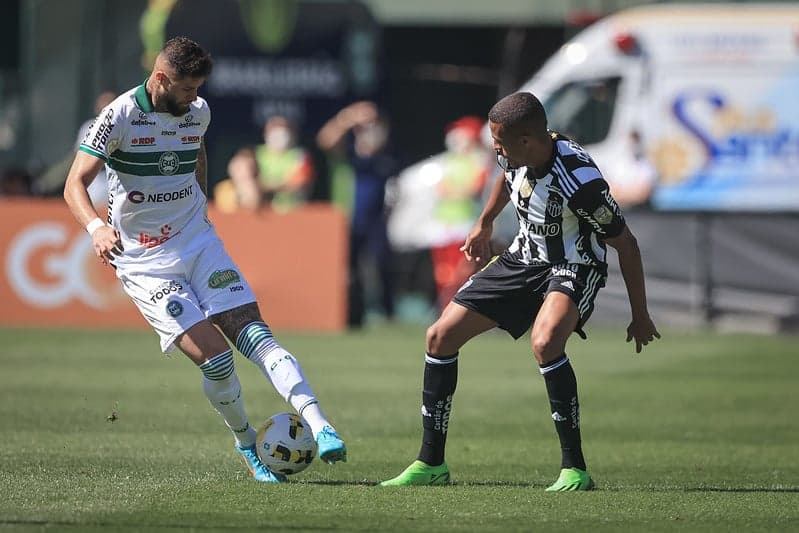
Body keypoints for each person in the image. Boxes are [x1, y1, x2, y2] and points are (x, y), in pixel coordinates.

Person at [63, 36, 346, 483]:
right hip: (144, 262)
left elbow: (198, 153)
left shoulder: (198, 112)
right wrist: (97, 228)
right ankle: (247, 443)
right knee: (217, 361)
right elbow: (74, 183)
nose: (194, 97)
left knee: (257, 337)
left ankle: (320, 425)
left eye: (198, 88)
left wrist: (200, 204)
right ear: (160, 79)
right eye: (186, 89)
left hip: (199, 245)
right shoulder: (117, 116)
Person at [380, 92, 660, 490]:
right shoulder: (516, 151)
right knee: (439, 337)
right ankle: (431, 464)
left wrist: (641, 314)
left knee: (545, 343)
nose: (495, 149)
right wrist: (485, 222)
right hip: (523, 258)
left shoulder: (581, 182)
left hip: (573, 265)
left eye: (499, 142)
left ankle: (575, 469)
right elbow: (505, 172)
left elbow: (626, 244)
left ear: (527, 140)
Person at [317, 101, 398, 327]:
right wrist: (349, 117)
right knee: (347, 272)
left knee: (381, 266)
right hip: (346, 221)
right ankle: (351, 316)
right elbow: (325, 140)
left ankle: (387, 314)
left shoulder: (387, 156)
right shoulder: (347, 153)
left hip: (377, 223)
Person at [430, 116, 489, 310]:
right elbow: (440, 189)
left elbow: (475, 188)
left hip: (466, 222)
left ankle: (462, 307)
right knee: (443, 269)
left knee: (463, 269)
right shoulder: (448, 160)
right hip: (445, 222)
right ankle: (445, 307)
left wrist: (456, 192)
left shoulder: (479, 160)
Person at [225, 115, 315, 212]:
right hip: (262, 209)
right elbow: (238, 168)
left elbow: (300, 182)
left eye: (283, 129)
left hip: (292, 210)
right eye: (274, 128)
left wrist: (267, 186)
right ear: (265, 132)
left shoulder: (300, 155)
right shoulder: (255, 153)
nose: (278, 134)